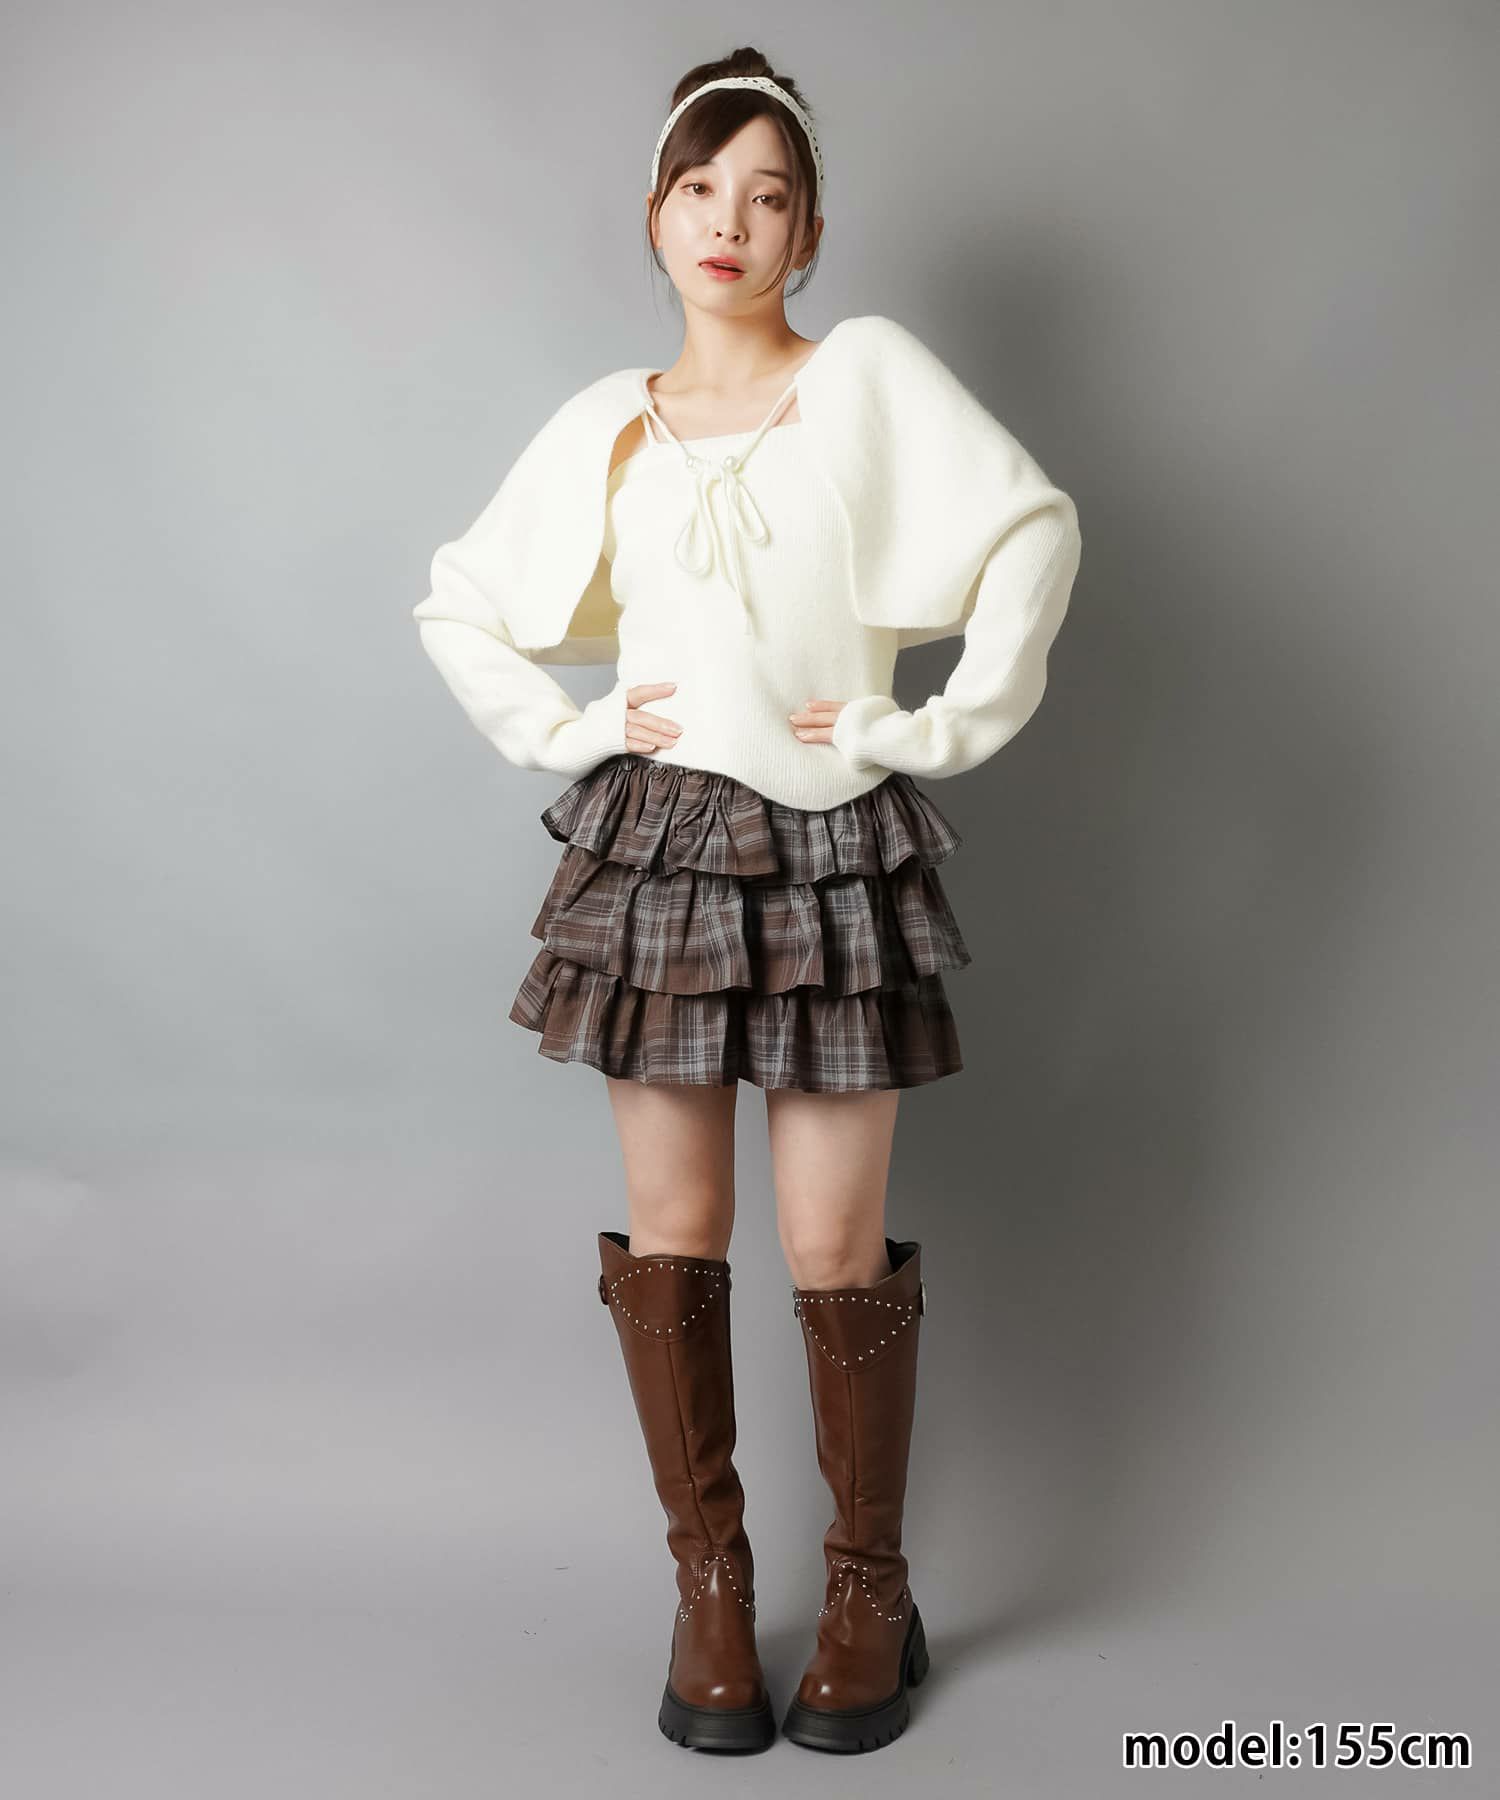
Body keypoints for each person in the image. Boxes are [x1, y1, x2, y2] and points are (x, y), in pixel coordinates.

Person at [412, 47, 1082, 1756]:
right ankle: (710, 1589)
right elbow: (460, 601)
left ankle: (869, 1593)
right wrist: (568, 727)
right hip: (656, 853)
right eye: (703, 188)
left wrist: (927, 728)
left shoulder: (865, 377)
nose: (732, 221)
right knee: (676, 1232)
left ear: (811, 231)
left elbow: (1031, 531)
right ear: (656, 213)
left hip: (830, 848)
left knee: (832, 1244)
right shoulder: (607, 421)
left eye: (769, 195)